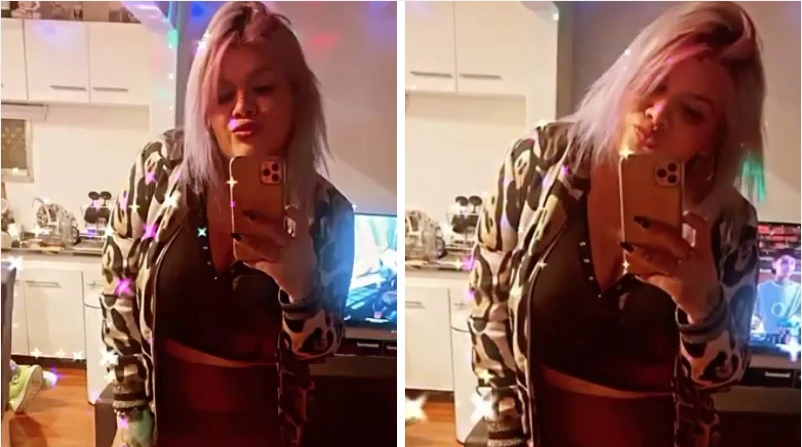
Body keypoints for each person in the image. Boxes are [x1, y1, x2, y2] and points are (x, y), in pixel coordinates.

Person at [468, 3, 764, 447]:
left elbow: (721, 379)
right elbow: (485, 303)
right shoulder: (542, 160)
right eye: (655, 82)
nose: (658, 114)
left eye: (692, 112)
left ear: (712, 139)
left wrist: (703, 307)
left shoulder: (730, 223)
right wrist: (504, 433)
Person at [100, 3, 355, 447]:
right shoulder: (160, 169)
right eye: (222, 94)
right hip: (160, 431)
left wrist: (302, 288)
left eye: (263, 88)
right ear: (204, 109)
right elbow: (116, 283)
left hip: (264, 434)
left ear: (296, 98)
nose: (243, 107)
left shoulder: (330, 213)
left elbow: (320, 349)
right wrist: (130, 409)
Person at [754, 251, 801, 334]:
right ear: (774, 264)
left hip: (790, 338)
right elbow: (755, 314)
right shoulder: (761, 288)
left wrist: (791, 323)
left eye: (792, 263)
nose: (788, 266)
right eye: (784, 262)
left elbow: (799, 315)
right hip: (764, 336)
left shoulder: (799, 290)